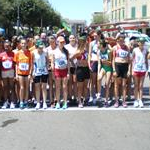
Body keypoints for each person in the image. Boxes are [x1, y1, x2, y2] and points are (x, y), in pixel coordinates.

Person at [51, 36, 70, 109]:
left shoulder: (66, 51)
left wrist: (68, 72)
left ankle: (65, 102)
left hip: (64, 71)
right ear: (57, 42)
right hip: (57, 71)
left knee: (64, 87)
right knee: (58, 87)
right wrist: (53, 72)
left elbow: (68, 63)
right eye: (60, 42)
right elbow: (52, 62)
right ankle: (58, 102)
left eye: (63, 42)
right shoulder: (54, 52)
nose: (62, 43)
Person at [112, 34, 131, 108]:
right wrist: (113, 69)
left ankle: (124, 101)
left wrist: (129, 70)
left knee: (124, 85)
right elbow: (113, 59)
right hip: (117, 66)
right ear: (117, 40)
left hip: (125, 66)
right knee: (116, 85)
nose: (121, 41)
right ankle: (116, 101)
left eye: (122, 40)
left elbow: (129, 60)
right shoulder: (115, 48)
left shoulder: (127, 47)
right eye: (120, 40)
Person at [71, 37, 90, 108]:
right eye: (84, 41)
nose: (86, 42)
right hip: (80, 69)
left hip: (86, 69)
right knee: (80, 87)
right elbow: (71, 59)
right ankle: (79, 101)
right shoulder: (78, 51)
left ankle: (84, 99)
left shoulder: (86, 50)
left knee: (85, 86)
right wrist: (75, 66)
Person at [14, 38, 32, 109]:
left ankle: (26, 101)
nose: (23, 45)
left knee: (27, 88)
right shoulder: (18, 53)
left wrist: (30, 74)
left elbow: (30, 64)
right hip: (20, 73)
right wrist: (16, 74)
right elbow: (16, 64)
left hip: (27, 73)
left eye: (25, 43)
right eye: (22, 43)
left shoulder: (29, 53)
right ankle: (21, 102)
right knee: (22, 87)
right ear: (20, 44)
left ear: (27, 44)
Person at [31, 39, 49, 109]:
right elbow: (32, 63)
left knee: (44, 87)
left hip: (44, 71)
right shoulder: (33, 53)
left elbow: (47, 61)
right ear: (36, 47)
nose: (41, 49)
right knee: (37, 87)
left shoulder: (45, 52)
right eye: (39, 47)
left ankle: (44, 102)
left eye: (42, 47)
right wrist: (32, 72)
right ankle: (38, 102)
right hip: (36, 71)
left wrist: (47, 67)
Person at [132, 37, 148, 108]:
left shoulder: (145, 50)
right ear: (138, 43)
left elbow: (146, 61)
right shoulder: (135, 50)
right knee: (136, 85)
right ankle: (136, 100)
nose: (142, 43)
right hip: (136, 69)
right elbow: (132, 60)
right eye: (140, 42)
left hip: (143, 70)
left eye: (143, 42)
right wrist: (132, 70)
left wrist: (147, 69)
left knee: (141, 86)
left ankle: (140, 100)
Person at [97, 40, 113, 107]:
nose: (98, 45)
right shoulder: (99, 52)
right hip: (103, 67)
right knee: (99, 78)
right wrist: (98, 72)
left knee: (107, 84)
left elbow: (111, 62)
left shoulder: (108, 52)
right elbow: (99, 63)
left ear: (102, 45)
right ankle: (99, 94)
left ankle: (106, 100)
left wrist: (105, 61)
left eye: (99, 44)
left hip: (109, 68)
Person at [0, 40, 15, 109]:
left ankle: (12, 102)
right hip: (4, 72)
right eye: (5, 46)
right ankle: (6, 102)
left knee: (12, 87)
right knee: (5, 87)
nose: (6, 47)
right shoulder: (1, 54)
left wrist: (15, 74)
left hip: (11, 71)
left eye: (8, 46)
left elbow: (15, 64)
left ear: (10, 46)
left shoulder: (13, 54)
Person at [44, 35, 57, 108]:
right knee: (51, 85)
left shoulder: (58, 48)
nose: (52, 41)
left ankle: (56, 99)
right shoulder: (46, 49)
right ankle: (52, 100)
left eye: (53, 40)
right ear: (48, 41)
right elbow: (46, 60)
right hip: (49, 69)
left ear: (55, 40)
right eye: (50, 40)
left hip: (57, 68)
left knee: (57, 86)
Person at [65, 35, 78, 104]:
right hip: (69, 66)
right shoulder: (66, 46)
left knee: (75, 82)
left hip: (76, 66)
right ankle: (70, 97)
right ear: (69, 39)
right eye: (71, 38)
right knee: (69, 82)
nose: (72, 39)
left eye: (73, 38)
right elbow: (66, 56)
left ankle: (75, 97)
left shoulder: (78, 46)